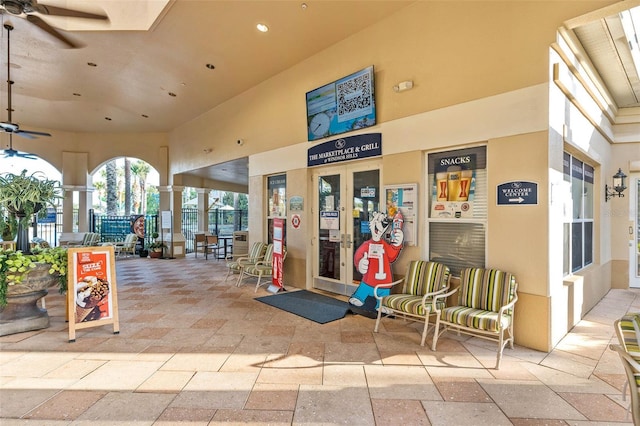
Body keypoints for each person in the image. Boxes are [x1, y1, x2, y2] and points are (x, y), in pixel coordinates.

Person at [349, 210, 404, 317]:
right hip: (368, 281)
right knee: (363, 290)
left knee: (383, 295)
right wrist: (360, 263)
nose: (378, 228)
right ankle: (359, 297)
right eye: (376, 223)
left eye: (382, 225)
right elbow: (359, 255)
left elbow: (392, 256)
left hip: (384, 283)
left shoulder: (384, 245)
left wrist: (397, 244)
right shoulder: (367, 245)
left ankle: (381, 304)